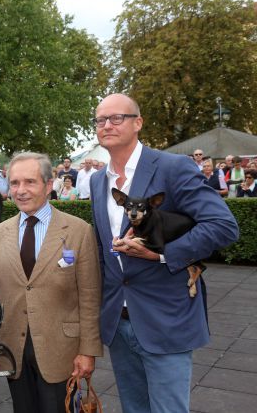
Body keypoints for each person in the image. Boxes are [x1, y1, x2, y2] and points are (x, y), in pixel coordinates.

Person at [89, 93, 239, 413]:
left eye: (117, 118)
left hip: (166, 318)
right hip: (119, 320)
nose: (107, 125)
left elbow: (223, 226)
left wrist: (162, 254)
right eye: (100, 120)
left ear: (138, 123)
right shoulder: (97, 181)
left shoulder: (173, 167)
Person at [0, 152, 102, 412]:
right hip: (12, 346)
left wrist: (88, 350)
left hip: (62, 349)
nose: (21, 190)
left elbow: (90, 295)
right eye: (14, 183)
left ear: (49, 185)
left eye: (30, 182)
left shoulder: (79, 230)